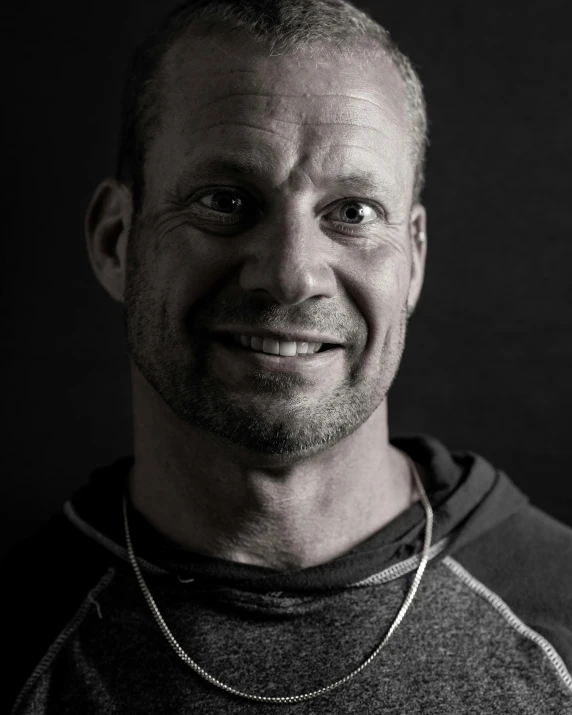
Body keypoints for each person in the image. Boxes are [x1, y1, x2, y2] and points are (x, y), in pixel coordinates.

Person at [4, 0, 572, 712]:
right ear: (118, 240)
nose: (291, 273)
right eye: (225, 199)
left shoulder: (558, 627)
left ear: (414, 262)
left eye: (353, 212)